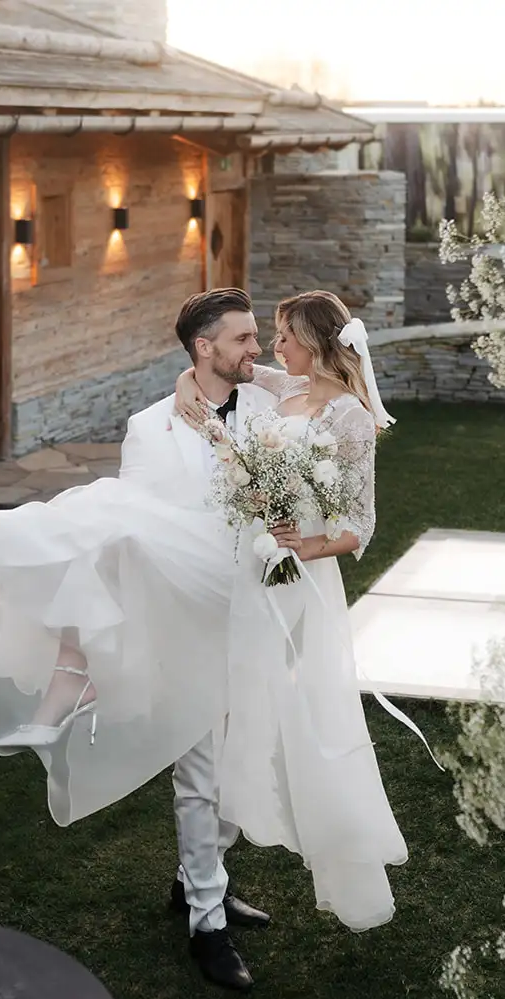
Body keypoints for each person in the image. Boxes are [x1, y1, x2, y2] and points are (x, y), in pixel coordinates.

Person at [0, 289, 276, 991]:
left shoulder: (268, 407)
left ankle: (196, 878)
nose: (255, 350)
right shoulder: (148, 427)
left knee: (240, 769)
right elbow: (142, 534)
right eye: (243, 339)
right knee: (200, 774)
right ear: (205, 348)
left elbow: (322, 388)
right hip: (184, 618)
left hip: (253, 610)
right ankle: (208, 919)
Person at [173, 290, 407, 937]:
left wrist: (309, 542)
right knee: (236, 709)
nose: (273, 349)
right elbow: (214, 371)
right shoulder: (283, 389)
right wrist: (182, 380)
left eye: (284, 337)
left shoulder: (351, 418)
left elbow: (361, 523)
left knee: (289, 714)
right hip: (253, 570)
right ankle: (204, 873)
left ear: (314, 341)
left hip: (299, 579)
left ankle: (237, 863)